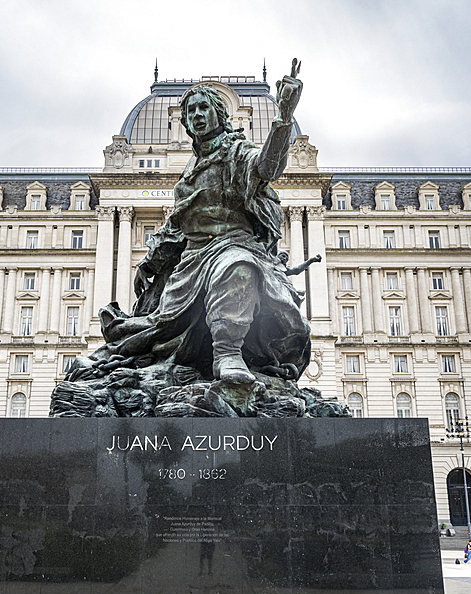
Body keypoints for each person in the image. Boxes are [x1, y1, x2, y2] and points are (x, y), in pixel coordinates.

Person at [70, 60, 310, 385]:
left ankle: (228, 354)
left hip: (235, 245)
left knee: (238, 266)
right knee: (160, 329)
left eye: (204, 108)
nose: (197, 114)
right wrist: (150, 262)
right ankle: (122, 356)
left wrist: (282, 118)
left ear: (219, 114)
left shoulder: (236, 151)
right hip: (194, 261)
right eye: (191, 110)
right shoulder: (190, 170)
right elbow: (176, 224)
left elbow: (265, 168)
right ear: (185, 121)